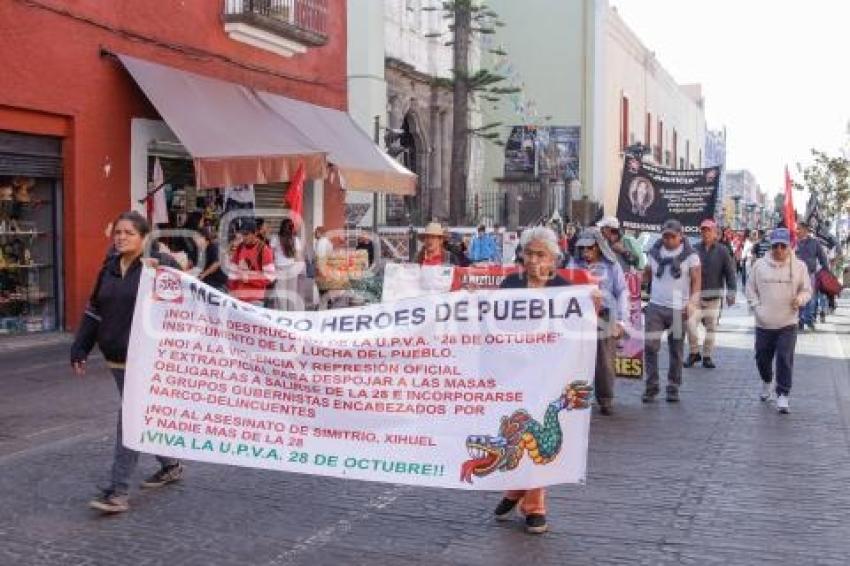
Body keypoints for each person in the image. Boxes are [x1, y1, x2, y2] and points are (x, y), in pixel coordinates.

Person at [70, 211, 184, 514]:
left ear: (144, 237)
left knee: (131, 419)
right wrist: (80, 346)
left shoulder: (160, 266)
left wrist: (162, 272)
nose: (121, 237)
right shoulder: (109, 267)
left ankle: (117, 491)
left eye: (128, 233)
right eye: (117, 232)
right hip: (116, 357)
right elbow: (95, 309)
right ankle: (170, 463)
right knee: (141, 415)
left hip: (146, 358)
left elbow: (182, 303)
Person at [491, 226, 592, 534]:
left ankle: (535, 506)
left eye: (540, 255)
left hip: (549, 378)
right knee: (515, 434)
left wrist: (599, 311)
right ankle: (514, 490)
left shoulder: (565, 291)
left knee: (540, 439)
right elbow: (489, 325)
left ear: (553, 259)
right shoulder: (509, 285)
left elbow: (582, 329)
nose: (533, 260)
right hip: (513, 374)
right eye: (529, 254)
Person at [746, 228, 812, 414]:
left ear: (789, 246)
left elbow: (807, 290)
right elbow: (750, 288)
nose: (780, 250)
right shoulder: (759, 265)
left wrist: (800, 299)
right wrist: (756, 306)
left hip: (788, 323)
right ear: (771, 246)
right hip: (764, 323)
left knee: (784, 357)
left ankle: (783, 394)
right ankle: (767, 381)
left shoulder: (799, 267)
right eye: (776, 246)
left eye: (784, 246)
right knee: (762, 359)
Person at [569, 227, 628, 415]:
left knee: (604, 361)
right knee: (574, 359)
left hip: (605, 315)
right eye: (583, 249)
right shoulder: (574, 265)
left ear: (599, 247)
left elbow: (622, 292)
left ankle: (605, 399)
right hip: (579, 317)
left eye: (590, 248)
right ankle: (574, 398)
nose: (586, 252)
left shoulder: (612, 265)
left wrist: (621, 321)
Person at [642, 219, 701, 403]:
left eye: (672, 236)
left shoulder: (691, 256)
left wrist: (693, 302)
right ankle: (651, 386)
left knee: (676, 349)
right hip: (655, 305)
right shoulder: (653, 252)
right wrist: (637, 282)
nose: (668, 239)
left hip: (678, 307)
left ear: (680, 236)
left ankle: (673, 386)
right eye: (665, 235)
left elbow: (697, 280)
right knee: (650, 347)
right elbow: (646, 275)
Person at [685, 219, 737, 369]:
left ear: (715, 233)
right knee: (690, 325)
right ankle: (694, 353)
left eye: (708, 230)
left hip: (714, 297)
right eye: (703, 230)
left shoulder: (722, 251)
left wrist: (731, 292)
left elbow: (730, 273)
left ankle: (707, 356)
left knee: (711, 328)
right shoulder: (694, 250)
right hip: (696, 296)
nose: (705, 233)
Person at [228, 219, 275, 306]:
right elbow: (232, 271)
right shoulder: (240, 248)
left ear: (255, 233)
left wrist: (249, 278)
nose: (244, 237)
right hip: (237, 298)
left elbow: (270, 277)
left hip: (255, 299)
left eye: (246, 234)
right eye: (242, 234)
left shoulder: (264, 250)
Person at [795, 222, 828, 331]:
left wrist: (825, 270)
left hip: (810, 274)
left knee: (810, 297)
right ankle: (800, 320)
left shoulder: (815, 242)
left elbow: (822, 257)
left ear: (805, 230)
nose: (797, 231)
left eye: (799, 229)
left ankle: (809, 320)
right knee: (798, 297)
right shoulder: (794, 243)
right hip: (796, 274)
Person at [270, 218, 305, 311]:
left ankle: (282, 316)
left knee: (281, 295)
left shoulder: (275, 238)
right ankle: (291, 316)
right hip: (292, 269)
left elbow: (271, 255)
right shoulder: (295, 240)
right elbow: (298, 257)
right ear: (292, 228)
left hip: (279, 269)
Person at [196, 227, 228, 293]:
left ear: (204, 238)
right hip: (207, 281)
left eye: (198, 238)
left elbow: (216, 263)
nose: (196, 241)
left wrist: (203, 275)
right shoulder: (200, 250)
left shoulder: (213, 247)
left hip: (217, 284)